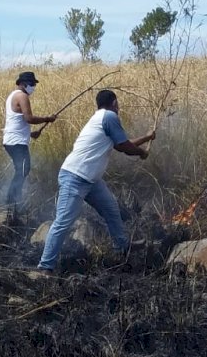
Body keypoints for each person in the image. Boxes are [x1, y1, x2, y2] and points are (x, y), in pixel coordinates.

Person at [37, 89, 155, 272]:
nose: (119, 107)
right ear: (114, 103)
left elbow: (121, 143)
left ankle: (122, 246)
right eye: (118, 104)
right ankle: (45, 266)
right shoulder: (109, 117)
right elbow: (124, 147)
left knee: (111, 209)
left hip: (91, 180)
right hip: (75, 177)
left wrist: (147, 138)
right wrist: (142, 153)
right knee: (62, 222)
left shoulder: (101, 118)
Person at [2, 71, 57, 207]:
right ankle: (12, 201)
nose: (33, 87)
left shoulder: (12, 96)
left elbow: (17, 122)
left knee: (22, 169)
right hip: (16, 141)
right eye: (32, 84)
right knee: (23, 169)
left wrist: (31, 134)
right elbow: (29, 118)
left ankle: (13, 200)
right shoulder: (22, 96)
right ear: (23, 84)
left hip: (12, 140)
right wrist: (47, 119)